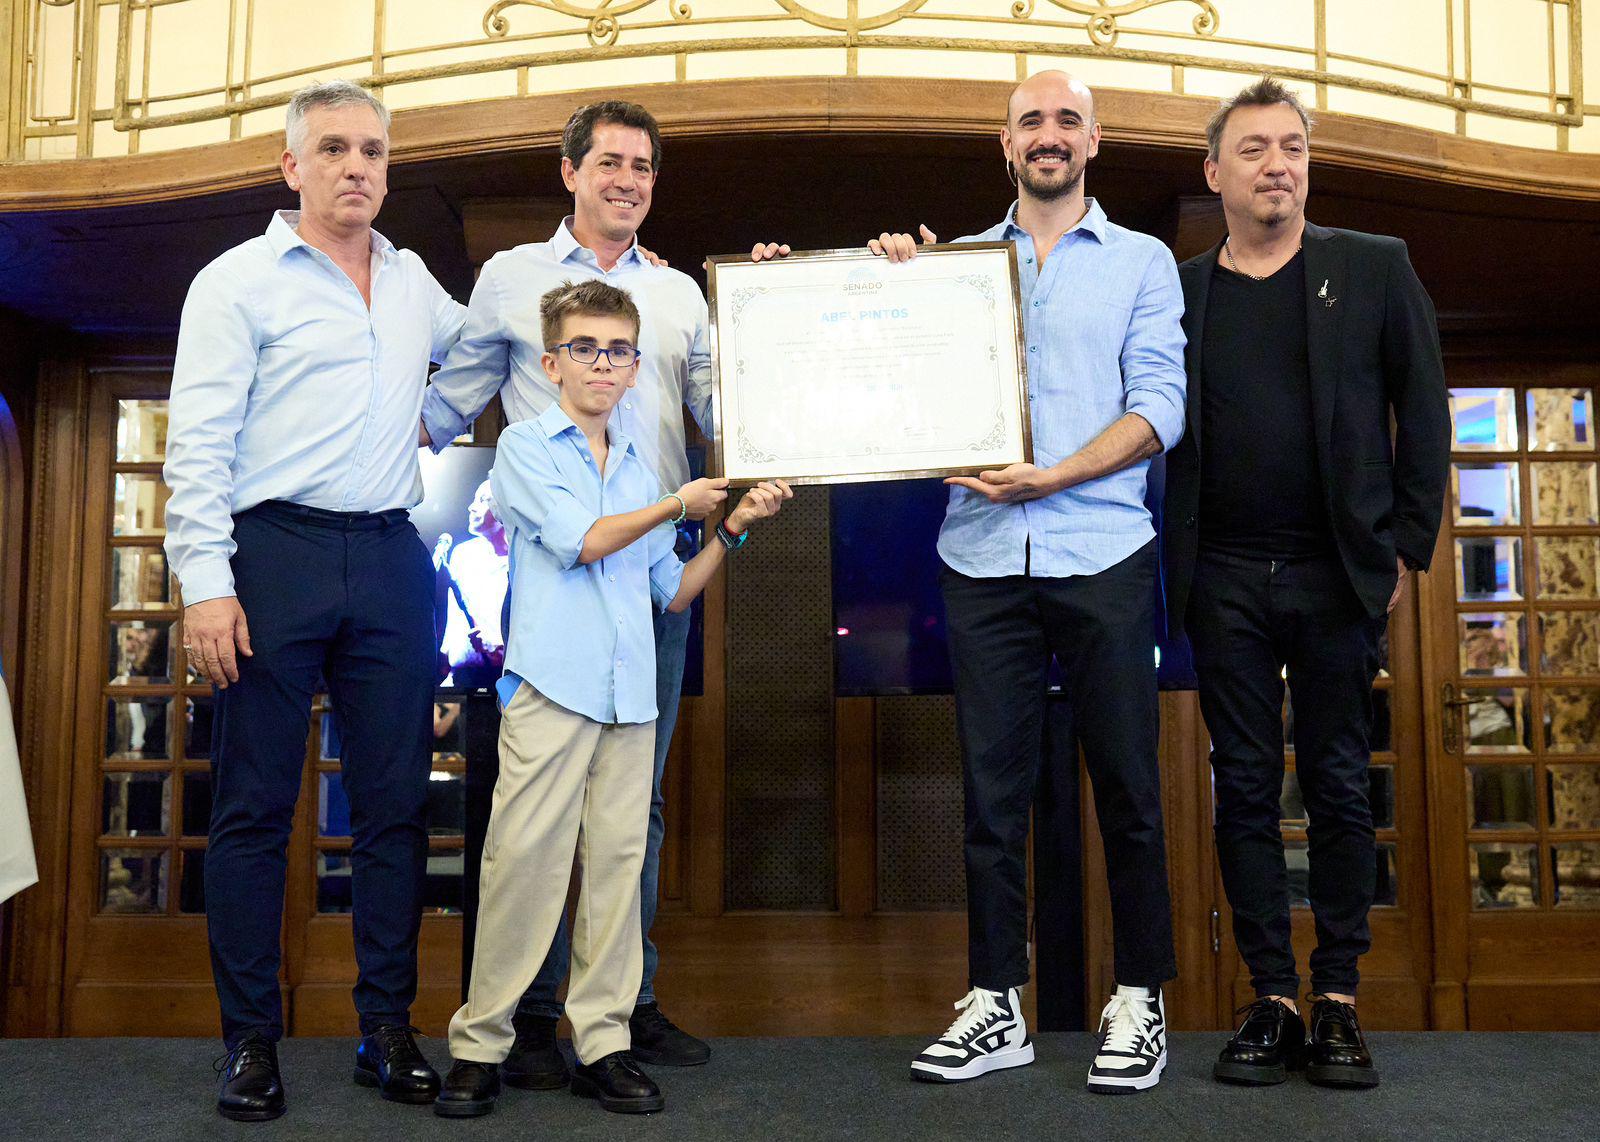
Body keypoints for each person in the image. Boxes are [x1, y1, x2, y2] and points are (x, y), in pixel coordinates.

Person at [853, 70, 1186, 1093]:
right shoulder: (953, 266)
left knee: (1128, 787)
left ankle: (1139, 997)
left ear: (1096, 142)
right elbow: (887, 392)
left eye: (1067, 121)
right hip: (981, 557)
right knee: (991, 799)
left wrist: (1055, 472)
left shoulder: (1143, 262)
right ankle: (997, 1000)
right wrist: (889, 288)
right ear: (1004, 145)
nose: (1049, 136)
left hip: (1104, 550)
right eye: (1031, 122)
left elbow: (1159, 407)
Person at [163, 79, 465, 1121]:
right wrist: (207, 584)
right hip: (271, 551)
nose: (357, 168)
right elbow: (195, 444)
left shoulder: (417, 280)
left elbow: (498, 347)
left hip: (389, 553)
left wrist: (433, 418)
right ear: (291, 166)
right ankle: (250, 1042)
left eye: (374, 151)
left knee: (393, 805)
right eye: (333, 148)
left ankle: (386, 1029)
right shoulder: (236, 281)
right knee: (254, 808)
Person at [432, 281, 790, 1118]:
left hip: (631, 700)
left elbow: (671, 592)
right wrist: (678, 504)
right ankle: (479, 1048)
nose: (603, 363)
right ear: (552, 362)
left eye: (619, 350)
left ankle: (604, 1045)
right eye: (586, 348)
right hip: (552, 693)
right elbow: (585, 543)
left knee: (616, 878)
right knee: (522, 871)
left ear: (636, 370)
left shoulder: (645, 467)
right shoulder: (525, 448)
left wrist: (732, 528)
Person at [1161, 76, 1449, 1089]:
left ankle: (1336, 1000)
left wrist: (1405, 548)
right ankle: (1269, 996)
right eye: (1253, 148)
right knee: (1240, 786)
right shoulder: (1179, 288)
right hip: (1222, 574)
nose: (1277, 162)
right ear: (1214, 171)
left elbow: (1423, 405)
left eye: (1291, 145)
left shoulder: (1372, 268)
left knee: (1333, 782)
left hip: (1335, 572)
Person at [419, 98, 714, 1078]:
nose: (626, 180)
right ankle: (521, 1018)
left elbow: (738, 409)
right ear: (570, 170)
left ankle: (619, 1011)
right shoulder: (510, 280)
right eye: (609, 163)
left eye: (642, 166)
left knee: (636, 814)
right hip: (548, 585)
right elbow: (443, 405)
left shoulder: (677, 297)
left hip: (652, 581)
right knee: (533, 823)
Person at [440, 479, 509, 688]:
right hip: (462, 677)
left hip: (503, 677)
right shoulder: (463, 554)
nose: (472, 507)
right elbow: (455, 619)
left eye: (482, 500)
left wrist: (499, 645)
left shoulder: (521, 561)